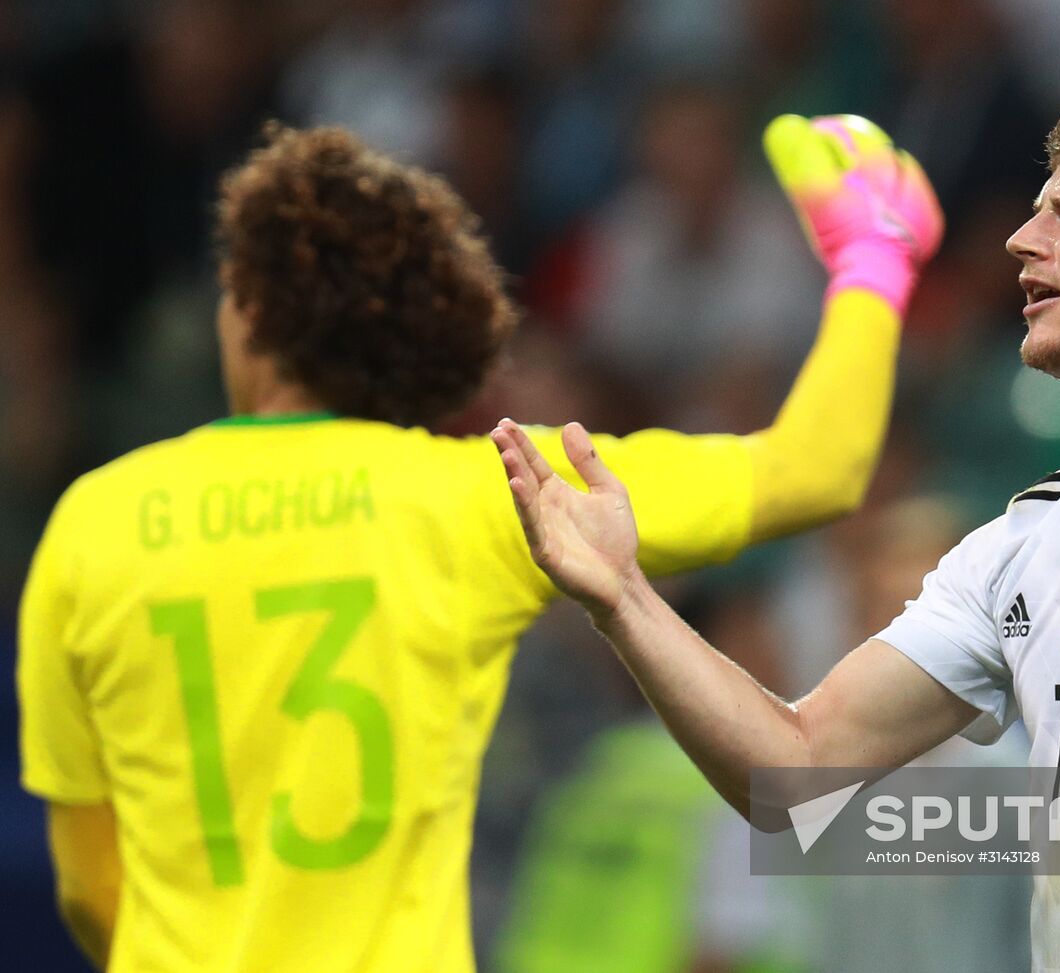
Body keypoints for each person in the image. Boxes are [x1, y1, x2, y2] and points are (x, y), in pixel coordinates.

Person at [493, 83, 1060, 972]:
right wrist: (622, 595)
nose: (1021, 238)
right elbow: (796, 767)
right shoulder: (1023, 542)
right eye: (1040, 211)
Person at [17, 115, 942, 972]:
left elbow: (90, 889)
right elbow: (815, 470)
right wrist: (873, 258)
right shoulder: (490, 492)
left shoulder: (92, 521)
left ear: (251, 313)